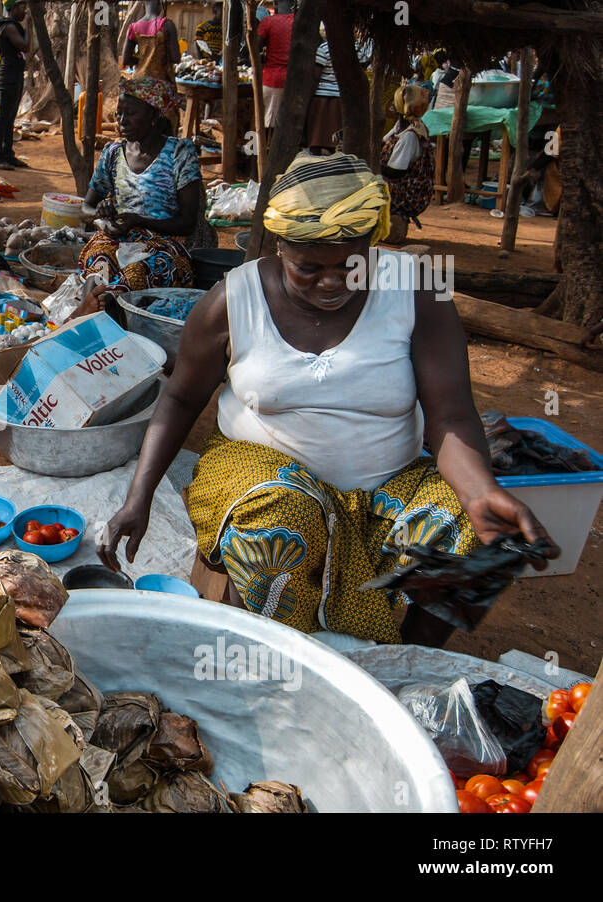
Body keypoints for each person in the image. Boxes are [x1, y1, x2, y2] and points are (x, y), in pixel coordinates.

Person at [98, 153, 557, 646]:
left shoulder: (415, 289)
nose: (333, 281)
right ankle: (282, 655)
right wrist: (138, 495)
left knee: (472, 526)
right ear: (279, 248)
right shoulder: (233, 300)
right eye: (310, 267)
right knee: (285, 520)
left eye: (350, 265)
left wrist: (481, 491)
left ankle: (406, 661)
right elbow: (181, 401)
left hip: (388, 486)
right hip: (260, 475)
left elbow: (450, 415)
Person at [76, 77, 201, 298]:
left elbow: (188, 223)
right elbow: (85, 208)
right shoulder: (113, 153)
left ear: (153, 115)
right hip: (117, 239)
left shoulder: (179, 153)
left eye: (131, 114)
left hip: (163, 245)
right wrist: (101, 217)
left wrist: (139, 220)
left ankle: (102, 322)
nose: (122, 121)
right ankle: (91, 317)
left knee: (133, 276)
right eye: (119, 113)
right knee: (98, 270)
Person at [381, 85, 435, 244]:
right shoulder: (401, 127)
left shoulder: (410, 136)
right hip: (400, 184)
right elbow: (381, 143)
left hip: (408, 192)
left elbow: (395, 173)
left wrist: (369, 166)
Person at [0, 0, 30, 170]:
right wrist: (29, 25)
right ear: (13, 8)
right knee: (2, 119)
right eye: (22, 7)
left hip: (13, 77)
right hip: (8, 78)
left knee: (9, 119)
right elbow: (26, 46)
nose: (25, 10)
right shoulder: (9, 27)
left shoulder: (9, 26)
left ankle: (8, 154)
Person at [256, 0, 295, 134]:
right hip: (295, 80)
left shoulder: (268, 22)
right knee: (288, 124)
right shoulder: (301, 22)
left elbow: (255, 48)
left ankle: (267, 153)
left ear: (276, 4)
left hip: (273, 80)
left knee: (269, 125)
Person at [126, 1, 182, 80]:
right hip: (161, 83)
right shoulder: (167, 25)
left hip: (138, 82)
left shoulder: (133, 27)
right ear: (159, 5)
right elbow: (175, 58)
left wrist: (143, 60)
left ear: (144, 5)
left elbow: (126, 59)